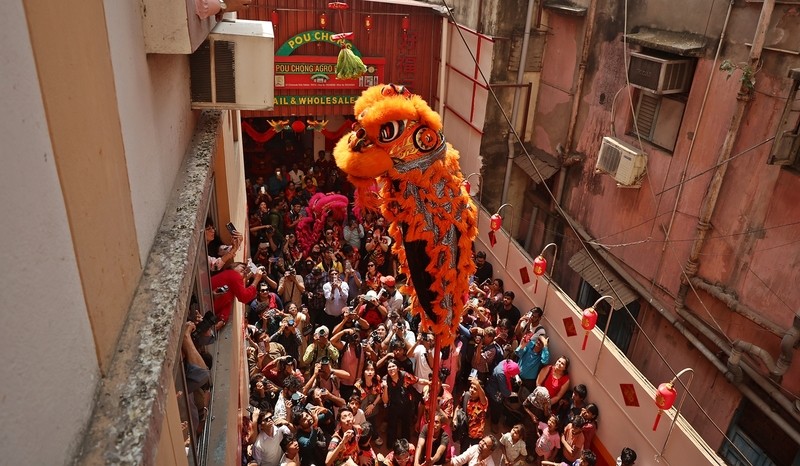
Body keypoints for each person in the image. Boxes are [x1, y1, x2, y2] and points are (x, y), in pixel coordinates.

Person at [382, 358, 426, 447]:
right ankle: (392, 446)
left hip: (406, 405)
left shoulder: (405, 375)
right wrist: (385, 388)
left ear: (398, 368)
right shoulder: (385, 380)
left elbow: (418, 380)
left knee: (406, 426)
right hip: (393, 406)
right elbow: (385, 400)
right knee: (392, 426)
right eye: (389, 367)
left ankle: (405, 445)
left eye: (393, 366)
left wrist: (430, 383)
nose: (391, 369)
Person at [211, 261, 264, 326]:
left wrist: (223, 319)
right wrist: (256, 280)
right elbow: (244, 297)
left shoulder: (231, 282)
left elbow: (227, 303)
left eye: (246, 272)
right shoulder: (234, 274)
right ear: (233, 266)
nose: (245, 271)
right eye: (243, 267)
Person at [485, 359, 520, 426]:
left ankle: (488, 411)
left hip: (492, 385)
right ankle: (494, 423)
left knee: (490, 403)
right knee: (496, 408)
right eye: (513, 374)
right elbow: (504, 391)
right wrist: (511, 393)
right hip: (495, 392)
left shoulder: (506, 363)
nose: (513, 376)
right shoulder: (501, 374)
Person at [462, 378, 489, 451]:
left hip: (476, 434)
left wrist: (477, 384)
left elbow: (483, 397)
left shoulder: (483, 402)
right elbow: (459, 406)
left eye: (475, 389)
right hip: (465, 431)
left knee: (475, 453)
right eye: (471, 387)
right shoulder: (466, 396)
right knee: (463, 451)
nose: (472, 390)